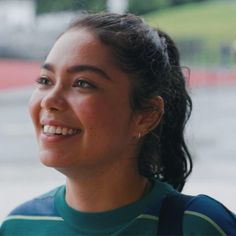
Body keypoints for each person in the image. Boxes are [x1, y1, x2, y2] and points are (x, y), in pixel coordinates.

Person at [0, 12, 235, 235]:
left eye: (82, 83)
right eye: (45, 80)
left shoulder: (199, 226)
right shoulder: (18, 226)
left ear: (146, 116)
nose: (49, 100)